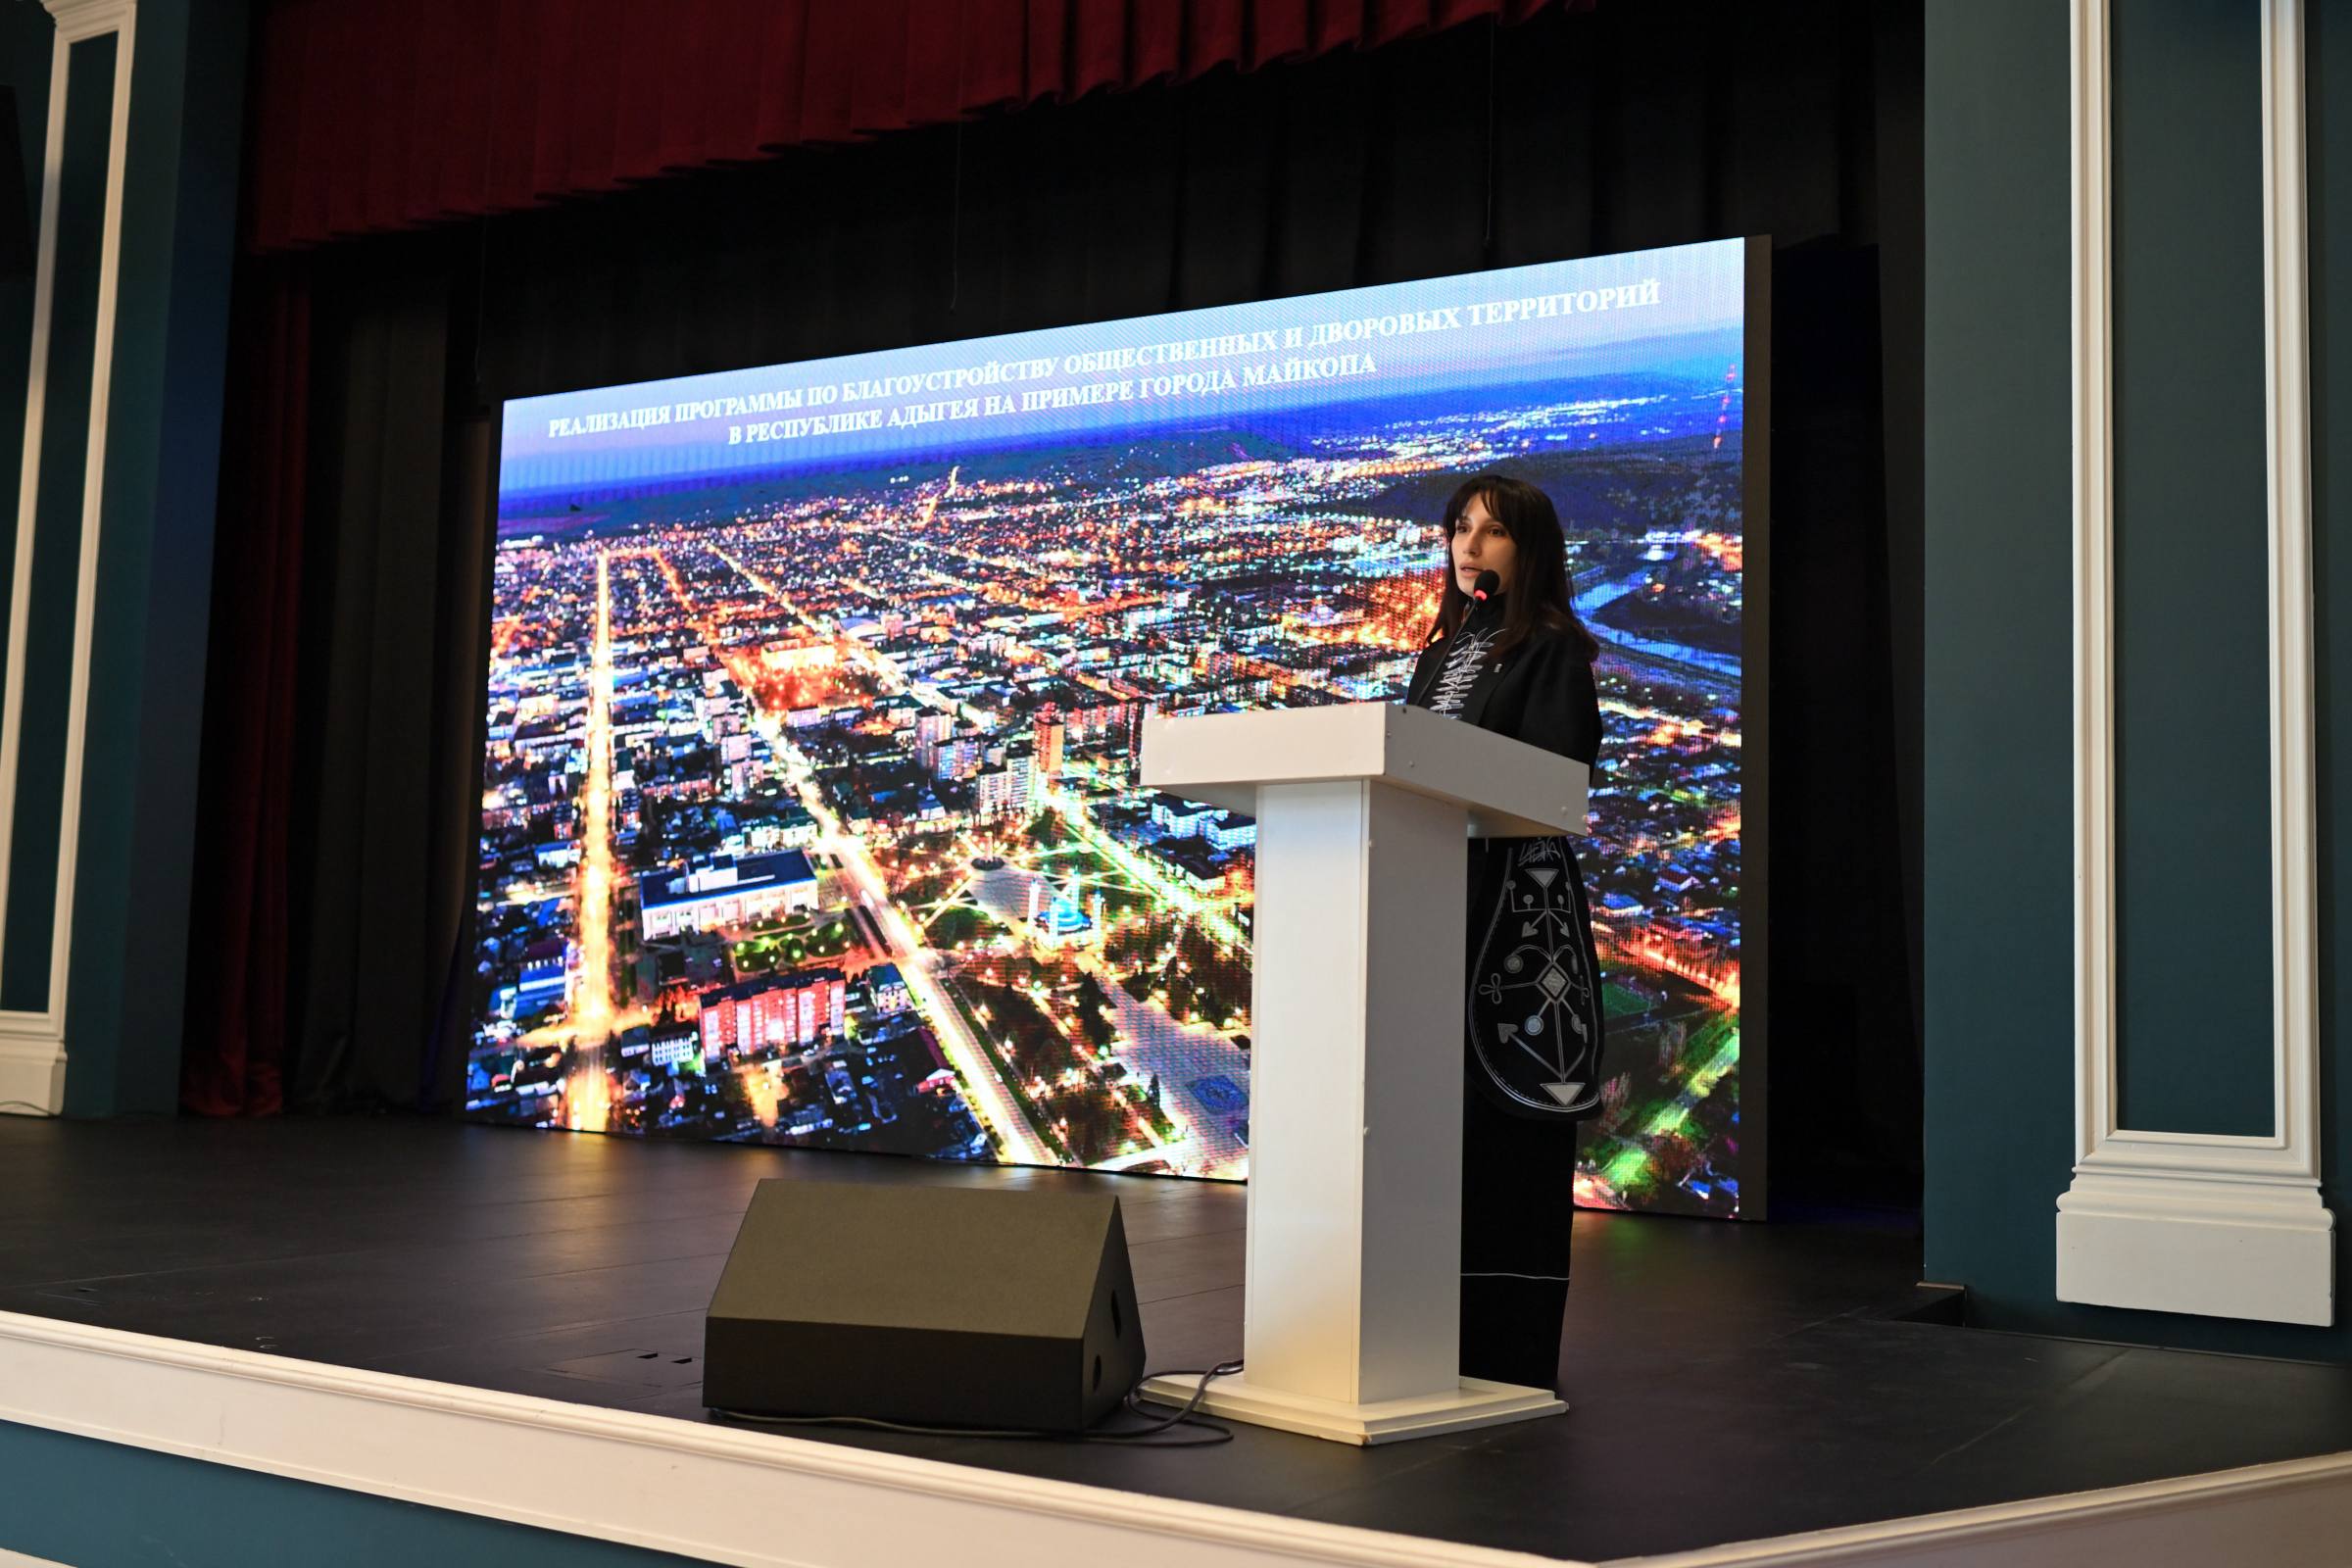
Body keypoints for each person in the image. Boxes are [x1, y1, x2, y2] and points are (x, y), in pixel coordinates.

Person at [1402, 472, 1606, 1390]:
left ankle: (1504, 1352)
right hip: (1434, 895)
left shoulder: (1551, 647)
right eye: (1460, 528)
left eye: (1491, 533)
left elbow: (1557, 780)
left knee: (1505, 1131)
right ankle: (1417, 1332)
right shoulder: (1442, 648)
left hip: (1513, 906)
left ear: (1531, 552)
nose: (1468, 546)